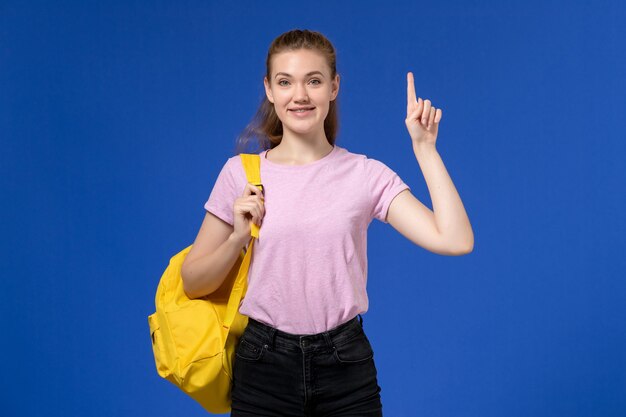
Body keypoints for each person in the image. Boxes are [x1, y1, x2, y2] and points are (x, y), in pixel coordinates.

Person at [181, 29, 473, 417]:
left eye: (313, 81)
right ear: (269, 89)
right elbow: (193, 281)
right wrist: (237, 238)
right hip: (262, 366)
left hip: (345, 366)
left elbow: (455, 240)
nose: (299, 95)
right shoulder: (240, 174)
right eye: (285, 82)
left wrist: (425, 149)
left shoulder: (365, 175)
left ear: (333, 87)